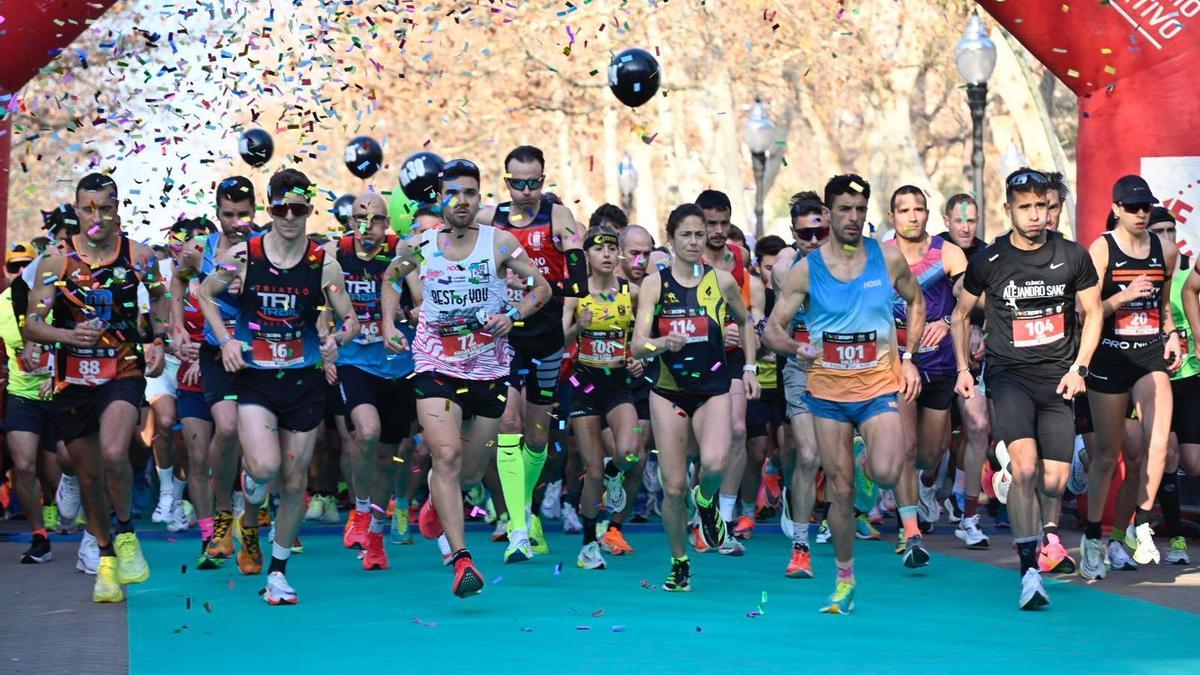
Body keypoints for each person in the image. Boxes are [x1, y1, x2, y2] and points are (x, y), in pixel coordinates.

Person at [384, 158, 551, 596]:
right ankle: (462, 561)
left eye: (470, 194)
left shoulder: (500, 243)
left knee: (472, 472)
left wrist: (512, 315)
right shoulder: (421, 243)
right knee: (446, 455)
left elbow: (542, 287)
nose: (461, 201)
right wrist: (388, 325)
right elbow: (390, 278)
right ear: (440, 197)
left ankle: (440, 508)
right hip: (435, 365)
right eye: (453, 193)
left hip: (488, 370)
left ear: (480, 198)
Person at [198, 168, 359, 605]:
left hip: (305, 380)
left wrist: (335, 341)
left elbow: (350, 320)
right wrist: (228, 339)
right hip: (256, 379)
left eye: (298, 209)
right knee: (266, 468)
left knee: (293, 483)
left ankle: (278, 573)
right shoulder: (246, 254)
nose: (289, 217)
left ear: (309, 209)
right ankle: (249, 504)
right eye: (281, 208)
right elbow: (203, 293)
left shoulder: (322, 261)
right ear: (270, 209)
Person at [767, 175, 924, 614]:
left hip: (877, 386)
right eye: (844, 209)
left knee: (890, 469)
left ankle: (866, 457)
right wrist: (798, 348)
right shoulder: (807, 269)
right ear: (829, 213)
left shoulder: (887, 258)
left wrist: (908, 356)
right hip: (828, 393)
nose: (853, 217)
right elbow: (773, 329)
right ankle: (843, 578)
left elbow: (916, 301)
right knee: (840, 489)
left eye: (860, 209)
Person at [951, 168, 1102, 610]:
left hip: (1058, 378)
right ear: (1009, 210)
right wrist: (963, 367)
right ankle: (1029, 572)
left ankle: (1013, 481)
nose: (1035, 215)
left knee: (1054, 484)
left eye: (1041, 206)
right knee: (1027, 468)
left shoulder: (1072, 255)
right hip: (1009, 376)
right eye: (1025, 207)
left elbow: (1092, 313)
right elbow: (960, 314)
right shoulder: (989, 260)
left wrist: (1080, 368)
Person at [24, 172, 169, 603]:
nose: (97, 218)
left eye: (106, 208)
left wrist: (158, 338)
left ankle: (126, 530)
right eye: (88, 209)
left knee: (112, 452)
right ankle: (106, 558)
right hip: (73, 378)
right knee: (88, 475)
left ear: (117, 209)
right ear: (77, 210)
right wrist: (69, 338)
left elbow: (161, 297)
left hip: (122, 370)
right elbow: (33, 324)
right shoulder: (55, 264)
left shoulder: (139, 256)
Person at [632, 203, 760, 592]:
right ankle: (679, 561)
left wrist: (750, 367)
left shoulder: (721, 281)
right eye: (685, 235)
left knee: (716, 462)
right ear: (671, 239)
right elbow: (638, 345)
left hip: (713, 387)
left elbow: (745, 321)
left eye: (698, 234)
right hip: (668, 389)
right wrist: (660, 343)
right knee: (672, 487)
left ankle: (706, 502)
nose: (692, 242)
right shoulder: (655, 283)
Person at [478, 145, 586, 561]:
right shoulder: (491, 219)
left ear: (544, 180)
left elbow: (578, 280)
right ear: (506, 182)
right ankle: (518, 529)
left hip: (546, 338)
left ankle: (524, 509)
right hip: (504, 339)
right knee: (509, 422)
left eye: (534, 182)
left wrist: (561, 261)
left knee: (538, 438)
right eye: (518, 183)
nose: (526, 190)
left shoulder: (557, 216)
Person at [1078, 175, 1181, 577]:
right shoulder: (1101, 249)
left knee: (1158, 448)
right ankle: (1092, 539)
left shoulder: (1166, 251)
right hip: (1109, 358)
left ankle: (1135, 527)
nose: (1142, 214)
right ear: (1117, 209)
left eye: (1147, 207)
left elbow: (1166, 302)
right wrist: (1122, 296)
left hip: (1150, 356)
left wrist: (1171, 333)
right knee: (1108, 457)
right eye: (1134, 208)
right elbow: (1085, 312)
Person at [174, 175, 262, 564]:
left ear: (255, 212)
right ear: (217, 213)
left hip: (260, 354)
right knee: (226, 429)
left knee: (258, 449)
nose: (237, 222)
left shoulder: (266, 248)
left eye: (244, 214)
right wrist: (177, 326)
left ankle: (254, 521)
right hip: (215, 353)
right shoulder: (198, 250)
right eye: (228, 215)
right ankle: (223, 511)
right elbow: (178, 282)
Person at [330, 191, 419, 571]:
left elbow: (421, 302)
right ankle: (361, 510)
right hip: (355, 361)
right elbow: (323, 302)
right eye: (359, 220)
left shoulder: (404, 252)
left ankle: (378, 534)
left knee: (388, 454)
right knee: (365, 433)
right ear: (350, 223)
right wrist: (326, 347)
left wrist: (407, 312)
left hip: (398, 363)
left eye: (376, 220)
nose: (368, 228)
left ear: (388, 224)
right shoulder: (336, 253)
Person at [886, 185, 971, 560]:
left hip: (940, 363)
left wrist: (950, 319)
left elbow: (970, 299)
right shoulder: (882, 256)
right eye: (904, 210)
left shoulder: (947, 253)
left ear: (927, 214)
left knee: (931, 454)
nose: (913, 216)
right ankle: (911, 533)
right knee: (905, 448)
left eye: (919, 209)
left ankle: (914, 485)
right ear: (893, 217)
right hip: (899, 362)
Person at [563, 225, 642, 569]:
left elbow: (645, 337)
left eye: (613, 249)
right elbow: (560, 341)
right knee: (591, 471)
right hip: (584, 385)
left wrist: (642, 357)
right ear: (587, 256)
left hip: (618, 385)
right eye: (600, 249)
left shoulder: (632, 292)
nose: (608, 255)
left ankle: (615, 473)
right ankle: (588, 545)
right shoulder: (575, 293)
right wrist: (579, 326)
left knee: (630, 453)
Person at [766, 191, 832, 578]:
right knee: (807, 455)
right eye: (804, 235)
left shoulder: (852, 265)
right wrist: (796, 349)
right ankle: (801, 547)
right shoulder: (786, 270)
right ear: (793, 234)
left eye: (819, 232)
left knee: (847, 463)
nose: (813, 240)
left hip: (847, 371)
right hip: (801, 369)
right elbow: (776, 328)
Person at [695, 189, 756, 555]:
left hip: (730, 358)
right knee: (698, 447)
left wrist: (749, 363)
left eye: (723, 222)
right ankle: (699, 510)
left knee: (737, 430)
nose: (718, 230)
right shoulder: (684, 259)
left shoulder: (738, 259)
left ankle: (724, 520)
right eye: (710, 223)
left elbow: (746, 314)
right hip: (692, 360)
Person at [936, 193, 992, 546]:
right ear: (946, 221)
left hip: (973, 363)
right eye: (959, 220)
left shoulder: (990, 255)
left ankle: (967, 511)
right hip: (933, 360)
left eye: (971, 220)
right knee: (934, 445)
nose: (966, 227)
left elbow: (996, 305)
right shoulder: (933, 251)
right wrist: (948, 322)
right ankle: (929, 486)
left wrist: (982, 331)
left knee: (978, 426)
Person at [3, 241, 57, 563]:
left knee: (56, 470)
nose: (21, 272)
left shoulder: (56, 300)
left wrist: (56, 376)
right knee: (23, 466)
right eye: (14, 267)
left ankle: (55, 505)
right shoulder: (0, 306)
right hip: (22, 394)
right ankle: (40, 536)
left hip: (61, 392)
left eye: (28, 266)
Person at [1156, 207, 1199, 564]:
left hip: (1189, 377)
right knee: (1166, 455)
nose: (1167, 237)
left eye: (1171, 229)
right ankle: (1176, 539)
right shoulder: (1143, 273)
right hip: (1155, 381)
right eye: (1159, 231)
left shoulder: (1187, 270)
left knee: (1194, 461)